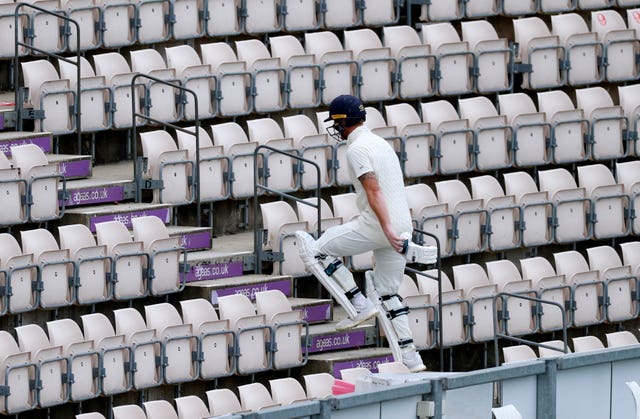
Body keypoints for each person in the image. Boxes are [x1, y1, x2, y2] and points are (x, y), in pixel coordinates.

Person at [295, 94, 427, 372]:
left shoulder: (356, 149)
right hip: (403, 225)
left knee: (314, 249)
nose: (335, 128)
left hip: (381, 224)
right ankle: (411, 357)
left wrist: (386, 229)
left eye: (336, 123)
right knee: (388, 293)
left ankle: (357, 303)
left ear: (345, 122)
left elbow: (374, 189)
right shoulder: (379, 142)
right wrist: (393, 230)